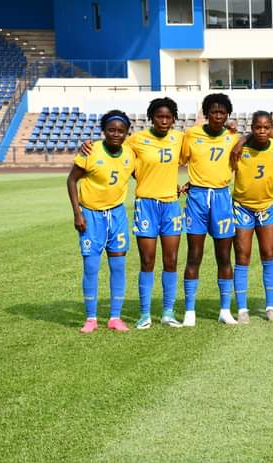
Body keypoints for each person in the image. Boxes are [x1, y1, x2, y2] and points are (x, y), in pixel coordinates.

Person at [81, 98, 185, 329]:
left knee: (171, 260)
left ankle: (168, 312)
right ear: (151, 118)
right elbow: (113, 148)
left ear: (174, 119)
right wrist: (88, 144)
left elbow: (200, 157)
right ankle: (145, 313)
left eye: (168, 117)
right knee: (147, 260)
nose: (164, 121)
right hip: (146, 204)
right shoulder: (136, 140)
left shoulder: (180, 138)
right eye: (159, 116)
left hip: (171, 204)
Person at [67, 110, 135, 333]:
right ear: (103, 131)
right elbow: (71, 180)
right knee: (91, 267)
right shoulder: (91, 150)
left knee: (118, 266)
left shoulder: (130, 153)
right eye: (111, 130)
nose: (116, 134)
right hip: (91, 215)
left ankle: (115, 317)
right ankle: (91, 318)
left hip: (117, 215)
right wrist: (77, 213)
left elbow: (146, 174)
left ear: (126, 133)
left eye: (120, 131)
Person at [180, 93, 239, 327]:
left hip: (222, 198)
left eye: (222, 112)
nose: (218, 116)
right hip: (197, 197)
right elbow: (179, 160)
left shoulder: (232, 137)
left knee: (224, 256)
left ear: (227, 115)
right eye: (214, 112)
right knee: (194, 255)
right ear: (206, 114)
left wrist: (240, 135)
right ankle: (189, 311)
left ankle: (225, 310)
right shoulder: (191, 135)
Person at [230, 111, 273, 323]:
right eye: (258, 127)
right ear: (251, 128)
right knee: (242, 256)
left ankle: (270, 308)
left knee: (268, 255)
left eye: (266, 127)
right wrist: (241, 140)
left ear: (272, 128)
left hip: (267, 207)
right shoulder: (240, 149)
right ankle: (242, 309)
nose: (262, 131)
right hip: (242, 207)